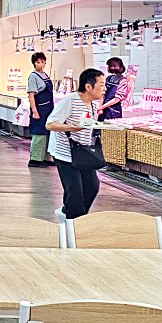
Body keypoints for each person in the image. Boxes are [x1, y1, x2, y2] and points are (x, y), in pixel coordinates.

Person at [47, 68, 106, 221]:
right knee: (75, 192)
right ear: (88, 86)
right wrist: (70, 128)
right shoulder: (70, 100)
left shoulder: (92, 104)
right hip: (64, 153)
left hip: (82, 154)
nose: (104, 88)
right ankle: (73, 223)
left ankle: (72, 214)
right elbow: (50, 124)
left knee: (92, 186)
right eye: (101, 84)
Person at [27, 51, 55, 168]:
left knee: (48, 133)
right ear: (34, 63)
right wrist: (34, 111)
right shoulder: (33, 76)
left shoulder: (45, 75)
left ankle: (46, 157)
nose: (41, 64)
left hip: (48, 109)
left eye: (42, 62)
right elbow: (31, 95)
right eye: (38, 62)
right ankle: (35, 159)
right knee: (39, 134)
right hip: (39, 109)